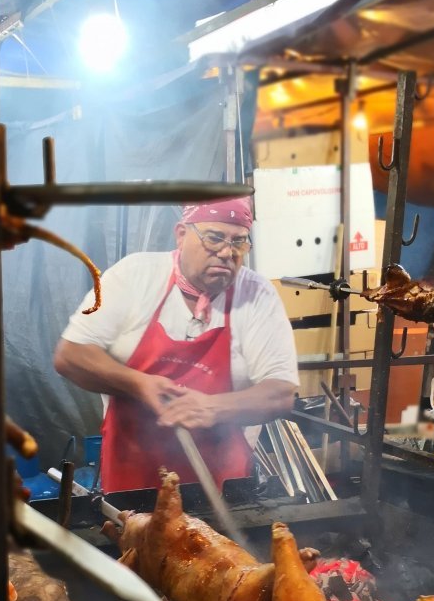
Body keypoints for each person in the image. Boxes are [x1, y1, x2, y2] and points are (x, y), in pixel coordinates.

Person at [54, 198, 299, 492]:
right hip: (132, 475)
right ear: (182, 234)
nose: (226, 252)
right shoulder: (135, 276)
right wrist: (139, 384)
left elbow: (280, 394)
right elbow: (71, 355)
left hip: (223, 481)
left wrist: (212, 407)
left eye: (239, 242)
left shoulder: (257, 296)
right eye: (214, 238)